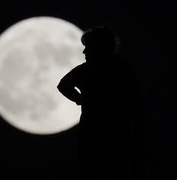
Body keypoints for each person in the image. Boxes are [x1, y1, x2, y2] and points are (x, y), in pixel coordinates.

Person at [57, 25, 145, 180]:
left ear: (98, 47)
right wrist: (81, 99)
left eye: (88, 48)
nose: (84, 52)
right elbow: (136, 103)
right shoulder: (123, 69)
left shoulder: (88, 70)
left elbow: (63, 85)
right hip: (114, 136)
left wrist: (81, 99)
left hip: (101, 136)